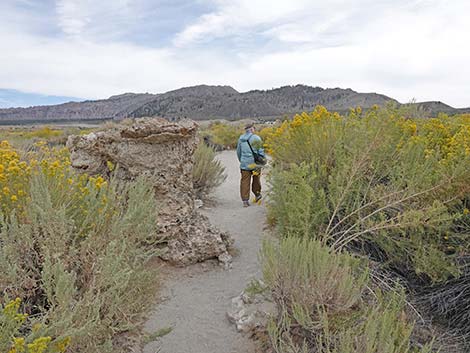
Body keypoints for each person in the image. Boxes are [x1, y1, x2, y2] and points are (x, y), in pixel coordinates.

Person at [236, 123, 266, 207]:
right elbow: (260, 151)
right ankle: (257, 195)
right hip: (255, 164)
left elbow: (238, 152)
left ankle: (245, 201)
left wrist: (241, 160)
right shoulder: (256, 138)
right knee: (256, 179)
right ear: (252, 129)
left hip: (244, 163)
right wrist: (263, 160)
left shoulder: (241, 139)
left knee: (244, 181)